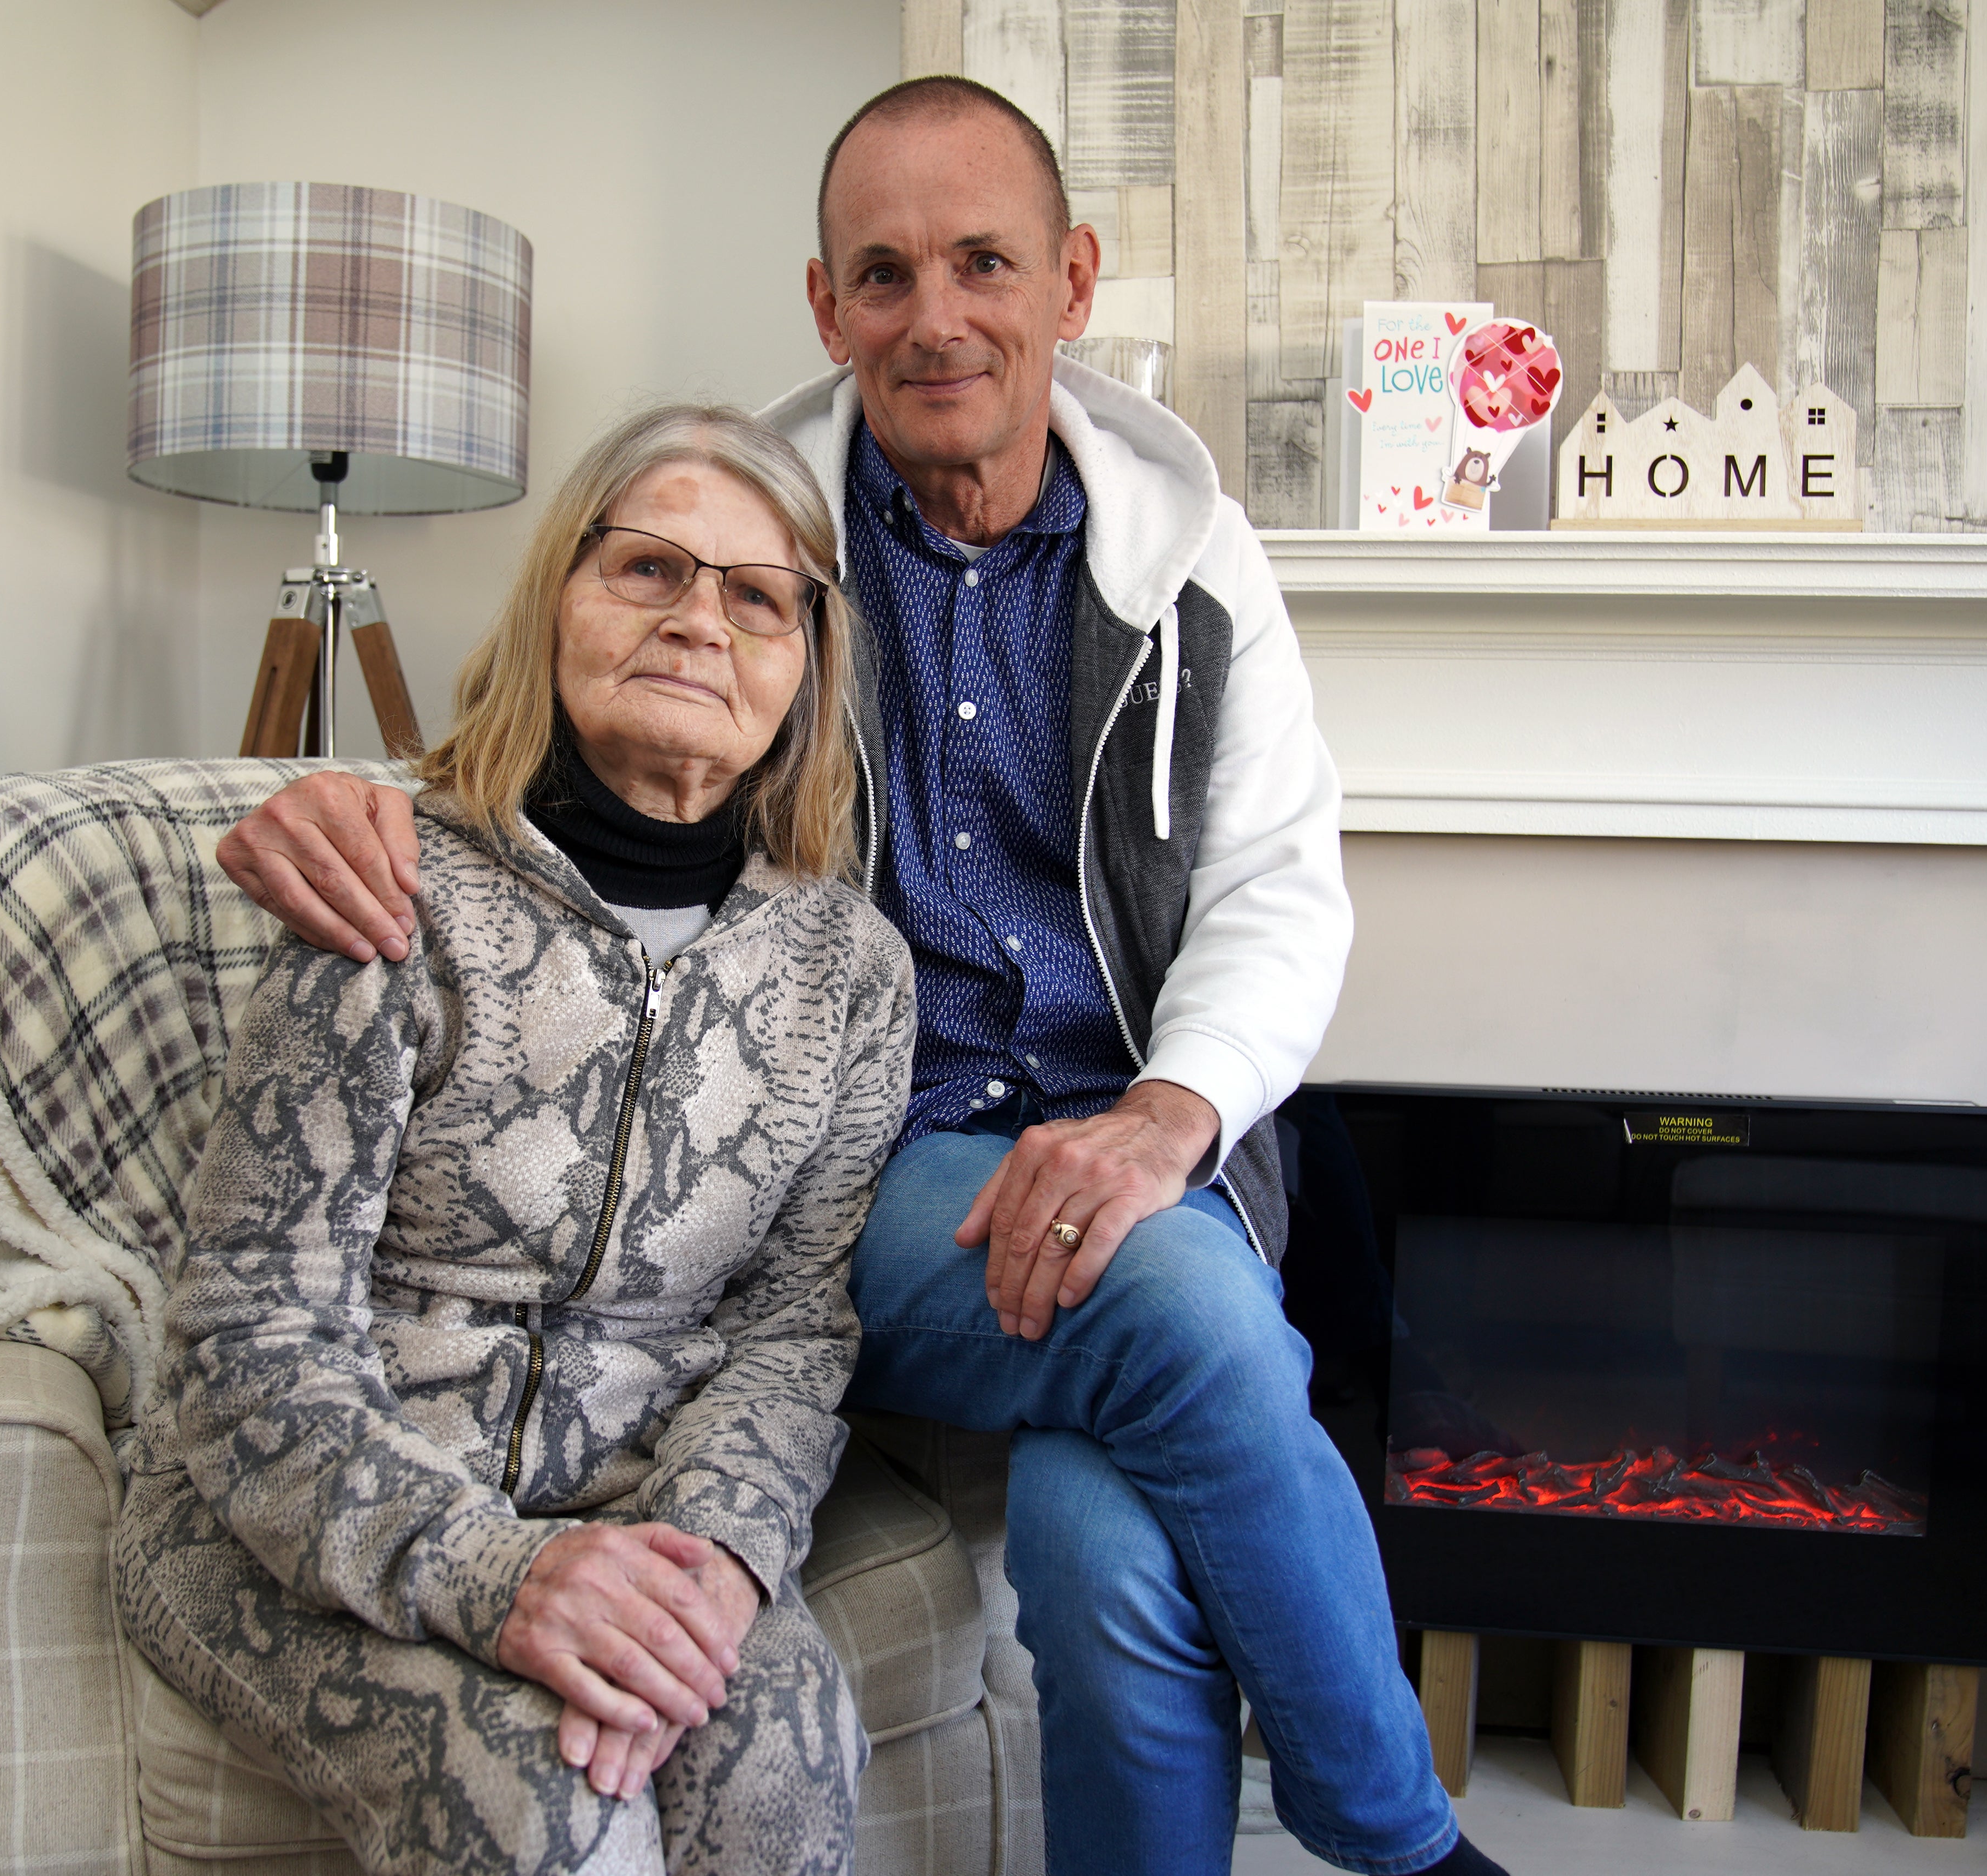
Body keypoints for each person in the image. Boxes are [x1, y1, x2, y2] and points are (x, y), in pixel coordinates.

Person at [213, 79, 1504, 1876]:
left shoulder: (1196, 563)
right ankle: (1406, 1850)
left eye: (984, 262)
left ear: (1072, 277)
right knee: (1196, 1324)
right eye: (881, 274)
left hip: (1125, 1142)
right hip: (866, 1172)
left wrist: (1159, 1122)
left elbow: (1283, 889)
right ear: (826, 309)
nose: (935, 316)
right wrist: (316, 801)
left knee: (1107, 1547)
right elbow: (574, 743)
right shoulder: (769, 551)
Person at [115, 404, 914, 1876]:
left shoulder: (850, 973)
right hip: (299, 1527)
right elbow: (246, 1339)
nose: (698, 623)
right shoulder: (384, 888)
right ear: (558, 595)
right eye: (647, 570)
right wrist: (504, 1576)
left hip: (637, 1514)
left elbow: (795, 1330)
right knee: (553, 1801)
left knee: (782, 1744)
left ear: (807, 667)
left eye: (756, 598)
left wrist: (715, 1565)